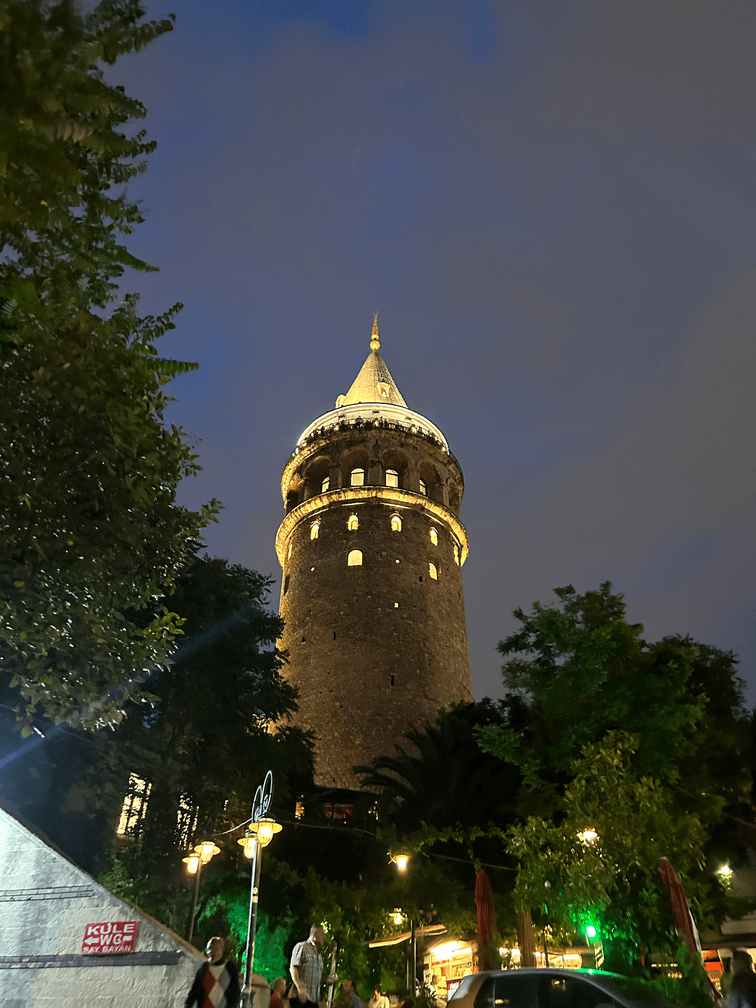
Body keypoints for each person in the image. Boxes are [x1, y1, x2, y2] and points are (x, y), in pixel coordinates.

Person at [185, 936, 241, 1008]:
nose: (211, 951)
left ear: (222, 950)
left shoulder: (229, 968)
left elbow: (235, 994)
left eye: (215, 949)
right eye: (209, 948)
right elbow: (193, 994)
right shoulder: (204, 969)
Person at [289, 924, 336, 1007]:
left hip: (313, 1000)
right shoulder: (302, 946)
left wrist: (327, 980)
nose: (324, 937)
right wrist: (299, 988)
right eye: (322, 934)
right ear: (315, 933)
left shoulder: (319, 955)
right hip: (301, 999)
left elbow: (318, 979)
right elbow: (293, 968)